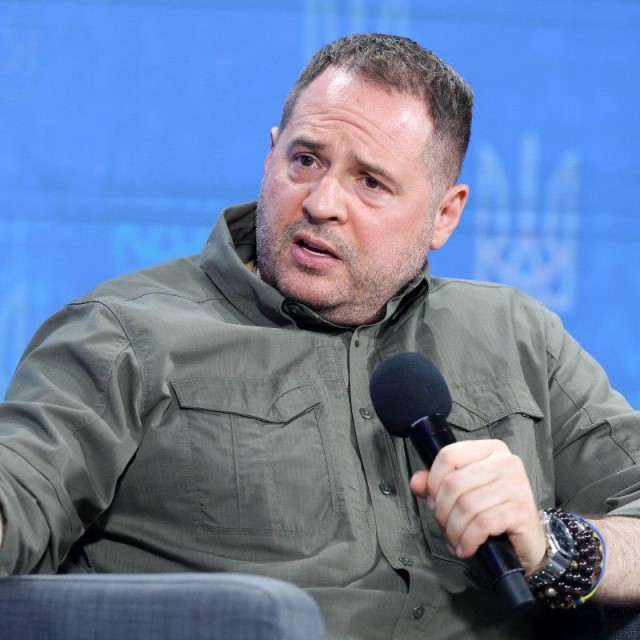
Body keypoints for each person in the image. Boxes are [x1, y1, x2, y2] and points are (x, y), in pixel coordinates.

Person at [0, 32, 639, 639]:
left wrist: (555, 546)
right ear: (270, 154)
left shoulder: (515, 335)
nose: (321, 202)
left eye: (370, 182)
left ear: (444, 215)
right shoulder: (124, 334)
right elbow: (19, 494)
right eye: (305, 160)